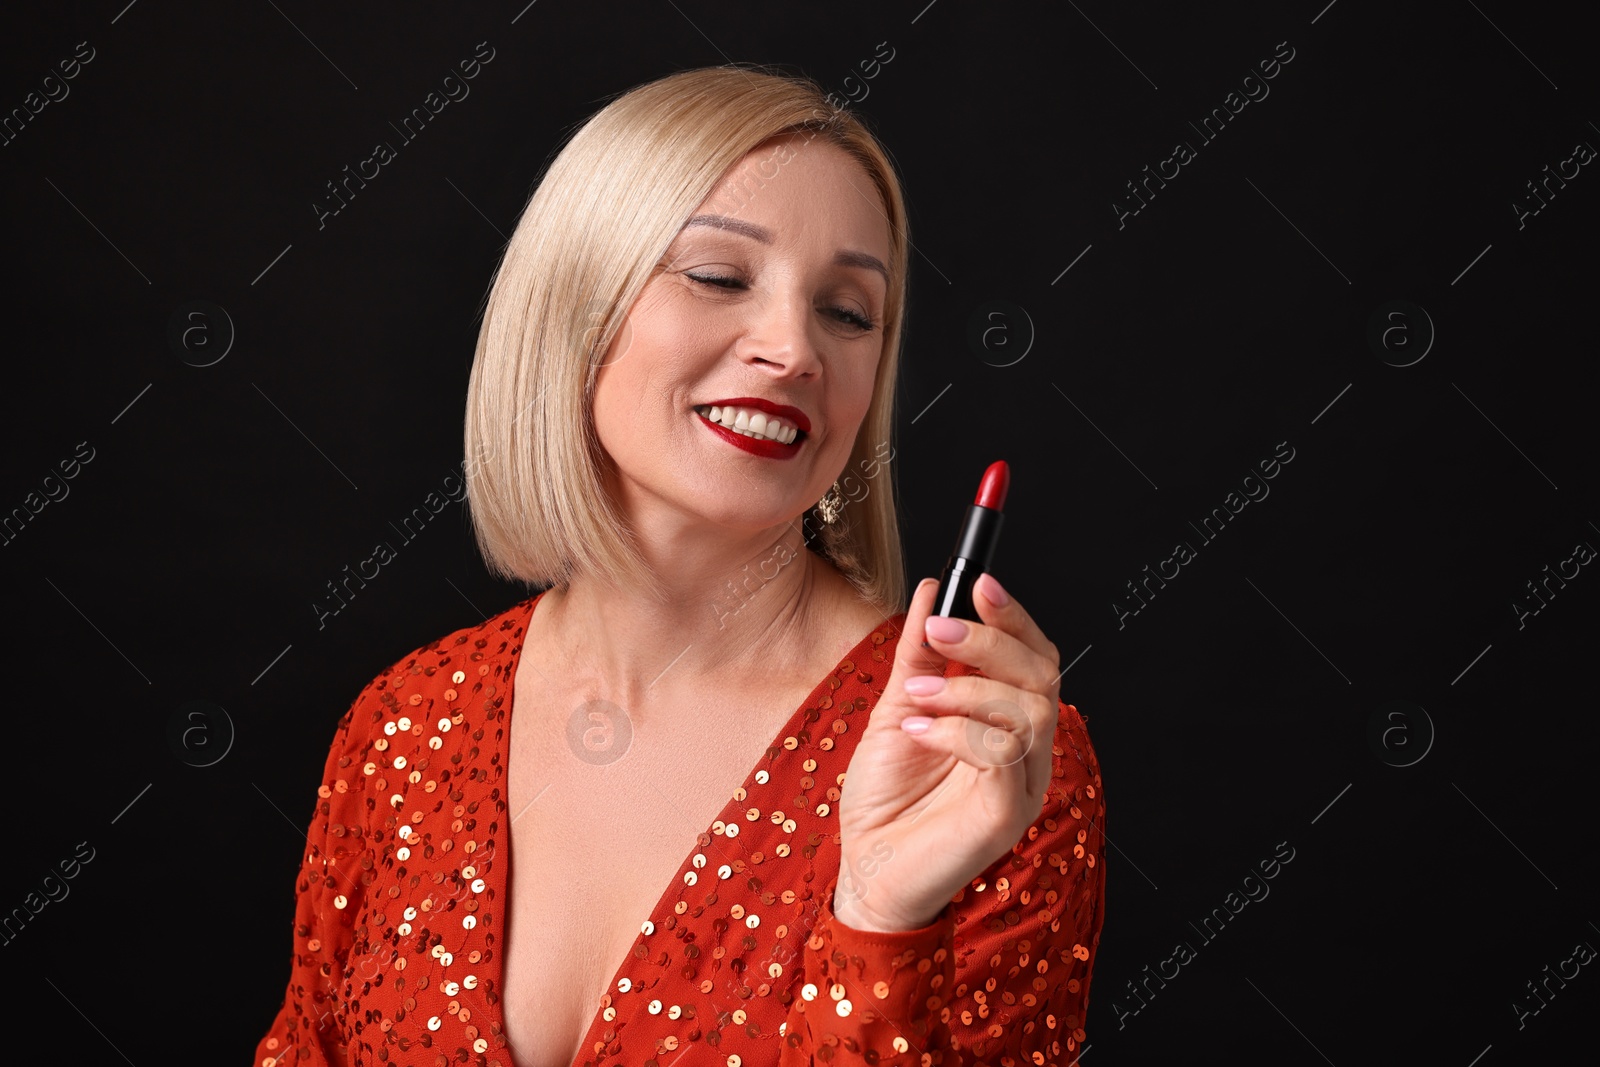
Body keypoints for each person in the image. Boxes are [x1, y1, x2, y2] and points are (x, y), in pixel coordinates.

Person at [253, 63, 1107, 1067]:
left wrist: (881, 920)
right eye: (716, 276)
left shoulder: (977, 759)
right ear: (572, 313)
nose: (793, 348)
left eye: (847, 310)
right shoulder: (403, 724)